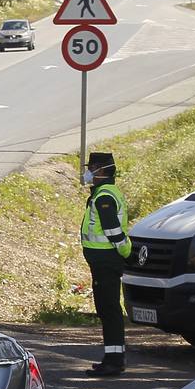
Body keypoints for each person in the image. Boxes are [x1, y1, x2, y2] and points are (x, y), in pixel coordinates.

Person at [81, 152, 132, 377]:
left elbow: (112, 230)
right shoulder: (105, 192)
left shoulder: (104, 196)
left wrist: (124, 251)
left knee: (108, 309)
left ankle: (114, 361)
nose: (88, 172)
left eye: (91, 168)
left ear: (101, 171)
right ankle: (113, 358)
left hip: (106, 261)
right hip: (103, 262)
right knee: (107, 309)